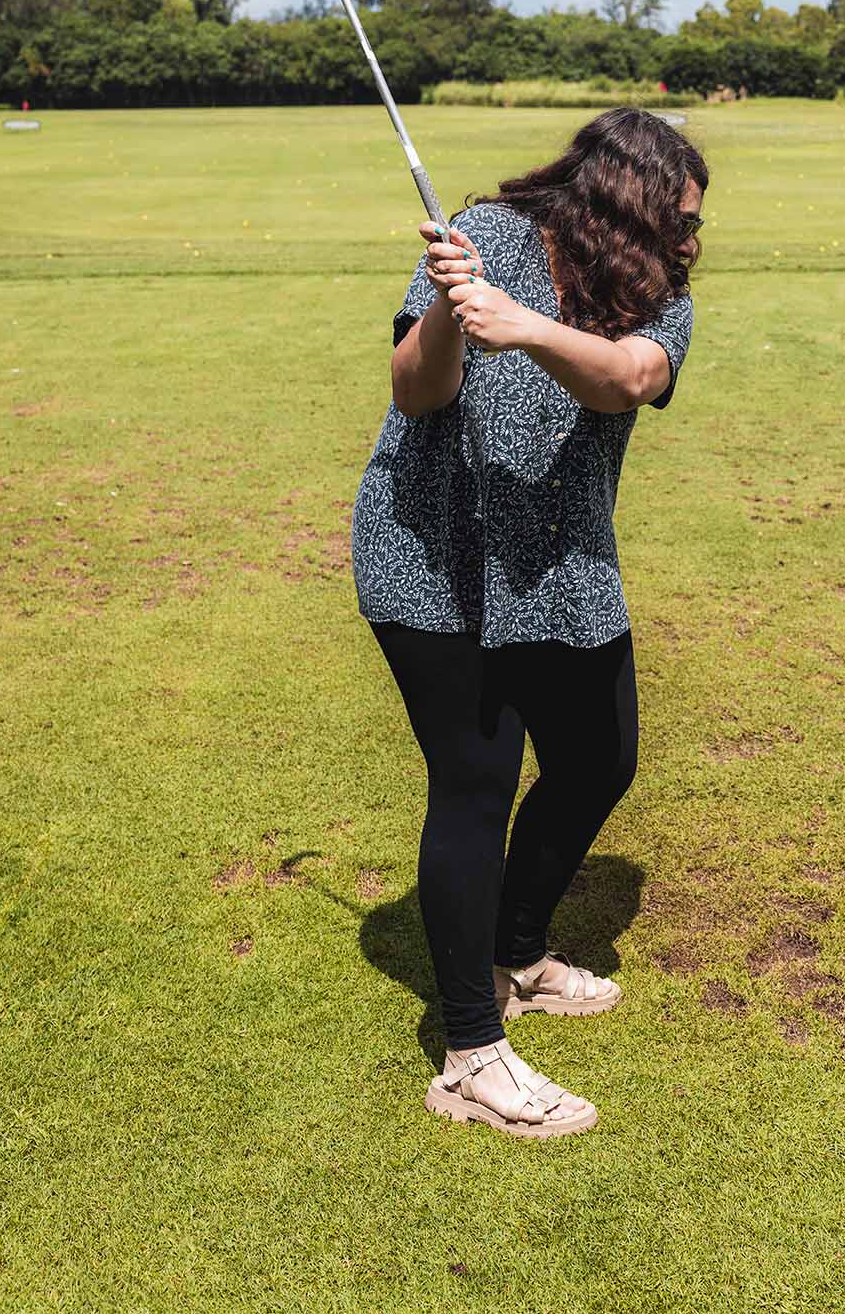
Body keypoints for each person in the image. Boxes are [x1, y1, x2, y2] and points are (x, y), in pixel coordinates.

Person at [351, 106, 708, 1139]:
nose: (691, 241)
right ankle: (469, 1053)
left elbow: (631, 378)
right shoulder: (481, 236)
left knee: (599, 758)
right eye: (677, 219)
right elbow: (415, 395)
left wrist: (526, 326)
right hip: (435, 553)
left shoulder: (658, 293)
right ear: (617, 207)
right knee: (474, 781)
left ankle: (516, 950)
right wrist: (450, 315)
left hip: (556, 557)